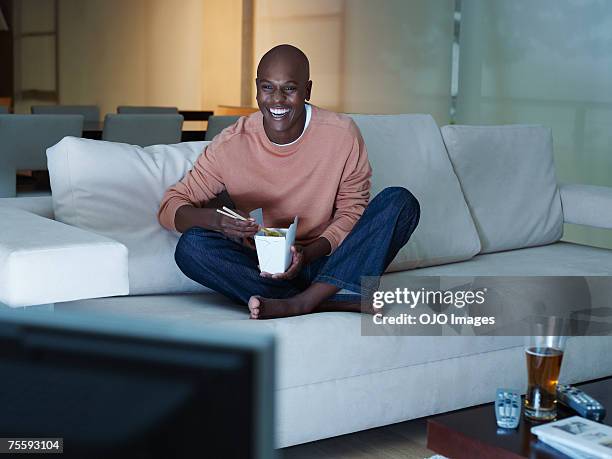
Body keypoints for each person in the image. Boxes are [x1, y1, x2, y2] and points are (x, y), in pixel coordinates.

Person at [158, 44, 420, 320]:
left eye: (290, 89)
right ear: (257, 89)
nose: (277, 100)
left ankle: (301, 303)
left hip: (326, 258)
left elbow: (351, 212)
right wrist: (215, 221)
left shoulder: (342, 134)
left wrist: (306, 254)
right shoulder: (230, 144)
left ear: (307, 91)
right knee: (192, 246)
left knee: (400, 202)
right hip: (265, 268)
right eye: (268, 88)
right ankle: (330, 299)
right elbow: (170, 207)